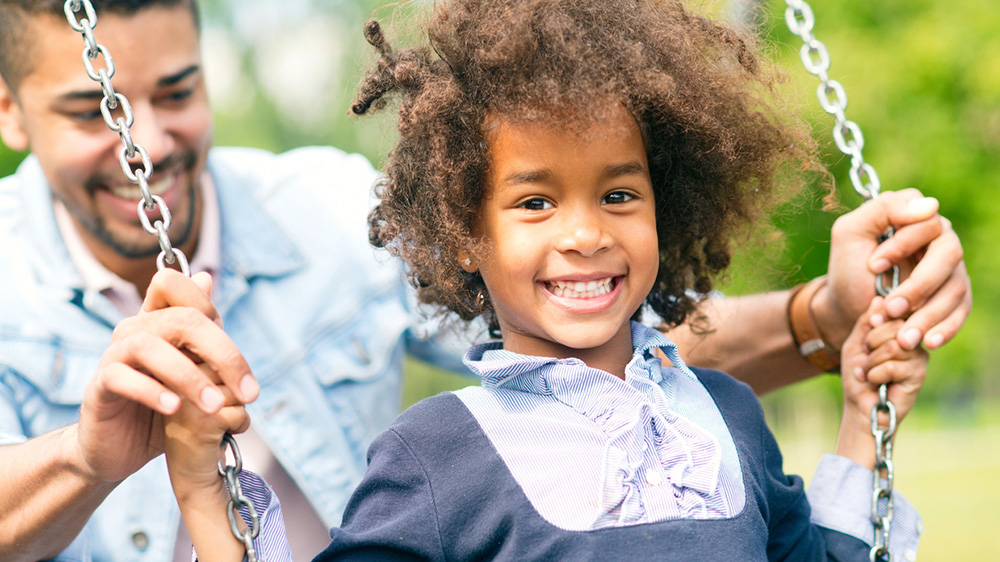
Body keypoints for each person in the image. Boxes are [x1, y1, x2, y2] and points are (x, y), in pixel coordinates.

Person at [0, 0, 969, 561]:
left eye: (178, 91)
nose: (151, 142)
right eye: (98, 109)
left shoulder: (721, 420)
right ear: (461, 233)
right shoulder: (435, 458)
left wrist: (840, 342)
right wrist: (194, 492)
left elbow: (652, 348)